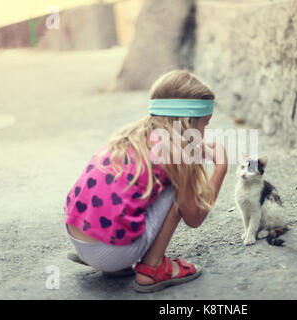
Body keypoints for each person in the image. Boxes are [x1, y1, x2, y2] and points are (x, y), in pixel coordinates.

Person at [64, 70, 228, 293]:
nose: (204, 132)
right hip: (111, 254)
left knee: (146, 185)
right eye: (204, 125)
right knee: (175, 190)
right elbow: (195, 217)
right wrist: (221, 167)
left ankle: (111, 260)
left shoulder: (134, 134)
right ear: (190, 123)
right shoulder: (177, 155)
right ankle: (153, 269)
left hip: (79, 238)